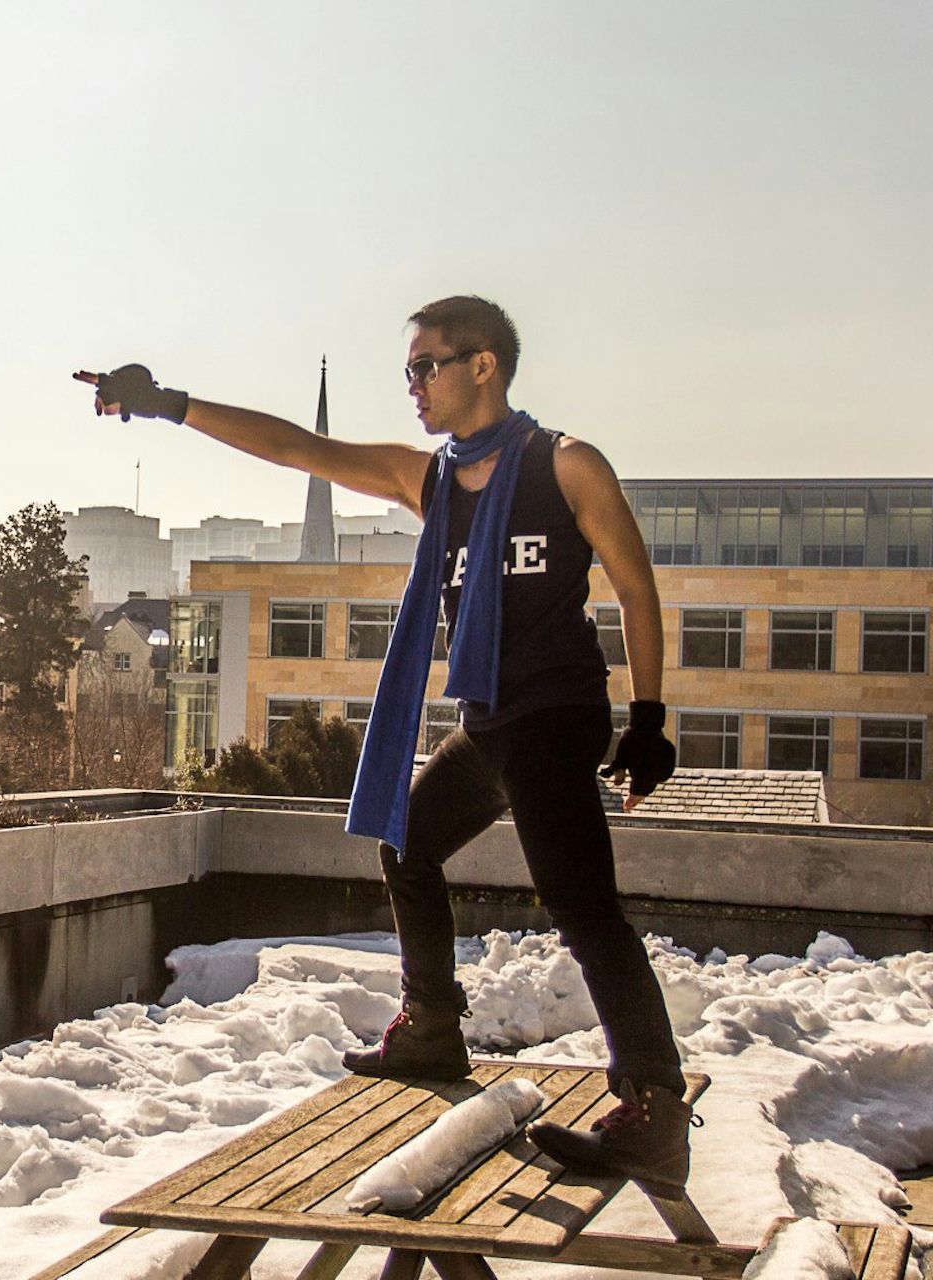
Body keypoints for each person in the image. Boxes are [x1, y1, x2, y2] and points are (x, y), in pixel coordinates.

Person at [75, 296, 696, 1199]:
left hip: (556, 716)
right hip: (489, 721)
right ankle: (435, 1027)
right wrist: (169, 402)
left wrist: (647, 719)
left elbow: (637, 587)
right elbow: (297, 447)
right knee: (406, 841)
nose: (413, 384)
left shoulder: (564, 465)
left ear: (483, 366)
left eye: (426, 366)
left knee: (584, 910)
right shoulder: (430, 477)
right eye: (409, 368)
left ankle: (655, 1109)